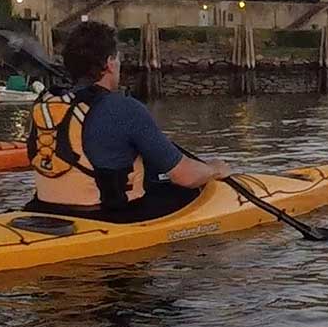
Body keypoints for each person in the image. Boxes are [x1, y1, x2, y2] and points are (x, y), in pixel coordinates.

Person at [27, 20, 231, 220]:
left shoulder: (46, 104)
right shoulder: (124, 108)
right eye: (117, 58)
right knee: (194, 191)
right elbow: (185, 176)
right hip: (103, 215)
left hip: (44, 208)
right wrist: (213, 169)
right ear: (108, 64)